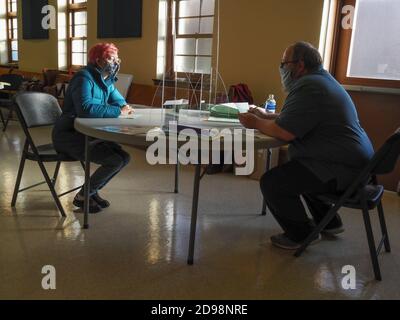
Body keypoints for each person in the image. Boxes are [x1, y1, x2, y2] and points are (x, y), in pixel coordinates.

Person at [239, 41, 374, 250]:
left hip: (343, 168)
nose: (281, 68)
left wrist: (255, 123)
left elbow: (285, 132)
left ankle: (300, 234)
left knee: (273, 182)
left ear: (300, 65)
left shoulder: (309, 86)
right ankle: (329, 222)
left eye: (284, 64)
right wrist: (267, 115)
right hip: (356, 164)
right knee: (300, 167)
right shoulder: (322, 80)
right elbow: (296, 118)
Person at [52, 43, 134, 213]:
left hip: (86, 133)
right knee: (114, 160)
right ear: (98, 60)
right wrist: (119, 111)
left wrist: (123, 106)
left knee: (124, 157)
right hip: (69, 135)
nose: (116, 62)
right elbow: (85, 109)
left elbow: (119, 100)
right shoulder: (84, 78)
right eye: (111, 58)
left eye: (116, 58)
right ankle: (83, 196)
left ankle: (91, 191)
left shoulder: (106, 79)